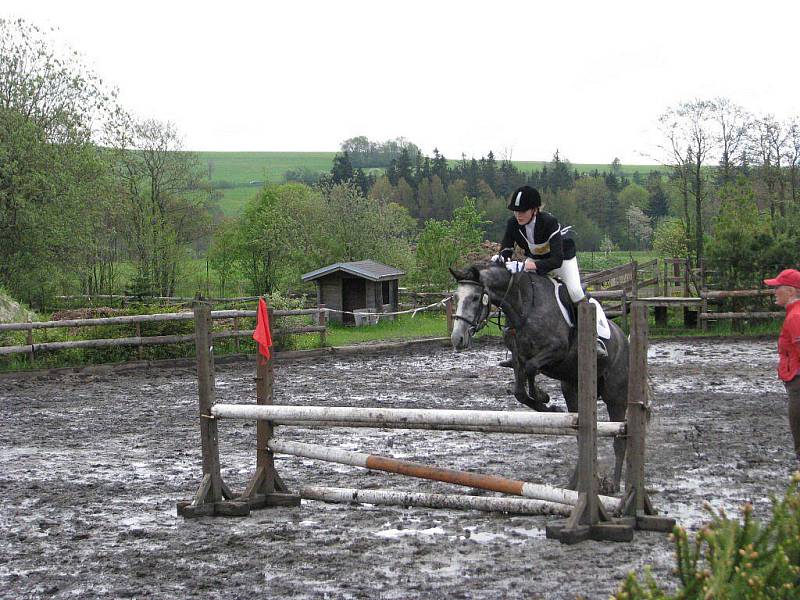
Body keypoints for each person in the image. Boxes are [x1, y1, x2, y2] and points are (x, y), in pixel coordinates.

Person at [491, 185, 608, 358]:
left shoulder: (549, 222)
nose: (518, 215)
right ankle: (519, 341)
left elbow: (556, 259)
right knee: (521, 289)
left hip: (562, 260)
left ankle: (594, 338)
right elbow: (506, 248)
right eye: (516, 211)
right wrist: (501, 259)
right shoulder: (513, 224)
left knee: (575, 291)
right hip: (536, 259)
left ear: (535, 210)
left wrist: (535, 266)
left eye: (523, 211)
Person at [764, 268, 800, 465]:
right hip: (794, 373)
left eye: (778, 287)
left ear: (791, 291)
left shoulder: (796, 316)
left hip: (797, 376)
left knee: (797, 418)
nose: (774, 291)